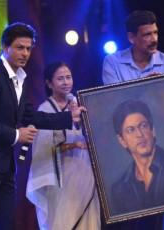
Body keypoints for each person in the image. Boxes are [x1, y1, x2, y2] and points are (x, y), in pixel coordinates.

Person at [0, 22, 85, 230]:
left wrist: (70, 116)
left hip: (5, 167)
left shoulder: (18, 79)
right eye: (19, 47)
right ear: (5, 48)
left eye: (29, 48)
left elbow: (32, 116)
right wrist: (16, 135)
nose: (25, 53)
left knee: (7, 224)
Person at [101, 10, 164, 230]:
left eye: (155, 33)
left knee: (154, 219)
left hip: (159, 151)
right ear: (131, 37)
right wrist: (149, 88)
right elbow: (114, 103)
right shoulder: (113, 63)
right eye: (146, 35)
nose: (153, 39)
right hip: (125, 159)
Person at [26, 61, 100, 230]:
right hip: (60, 176)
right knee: (64, 221)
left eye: (68, 77)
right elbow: (42, 147)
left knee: (88, 221)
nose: (66, 82)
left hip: (84, 171)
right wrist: (72, 145)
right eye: (60, 79)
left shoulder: (80, 104)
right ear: (49, 83)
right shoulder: (44, 109)